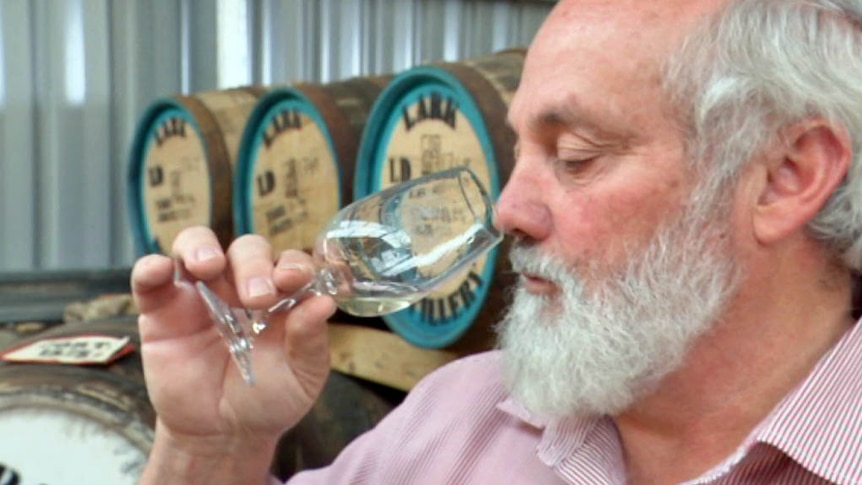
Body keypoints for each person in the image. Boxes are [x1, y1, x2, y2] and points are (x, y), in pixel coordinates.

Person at [131, 0, 862, 483]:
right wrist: (211, 447)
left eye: (575, 156)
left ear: (785, 177)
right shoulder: (460, 416)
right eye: (518, 153)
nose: (509, 210)